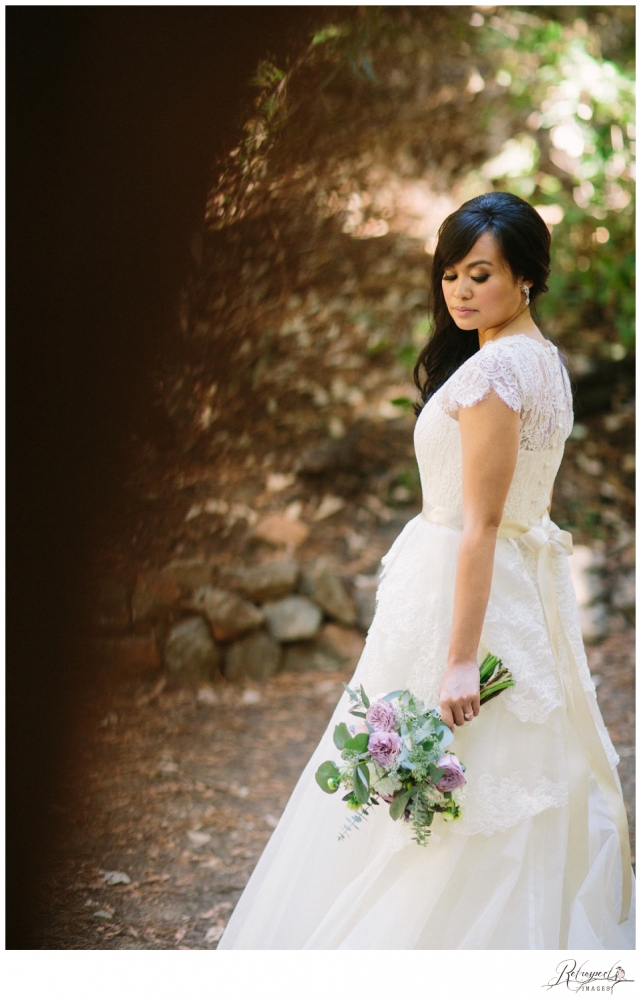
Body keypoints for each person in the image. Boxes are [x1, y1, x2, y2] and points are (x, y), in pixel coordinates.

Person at [218, 192, 635, 949]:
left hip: (466, 594)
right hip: (518, 590)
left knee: (458, 786)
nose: (461, 292)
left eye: (481, 275)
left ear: (527, 279)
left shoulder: (494, 374)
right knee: (493, 779)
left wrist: (457, 661)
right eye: (450, 275)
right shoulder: (542, 363)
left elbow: (477, 524)